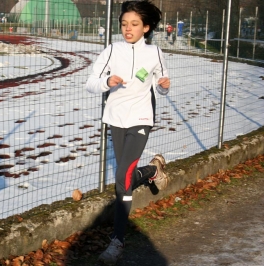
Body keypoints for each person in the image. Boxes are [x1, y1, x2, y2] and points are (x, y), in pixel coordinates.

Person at [85, 1, 170, 265]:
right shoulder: (112, 50)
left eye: (134, 24)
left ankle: (117, 241)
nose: (128, 29)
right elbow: (90, 83)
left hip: (142, 118)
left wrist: (165, 86)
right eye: (124, 24)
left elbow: (162, 84)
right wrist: (106, 82)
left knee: (122, 176)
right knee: (126, 177)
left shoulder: (155, 53)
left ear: (146, 27)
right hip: (116, 119)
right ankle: (153, 171)